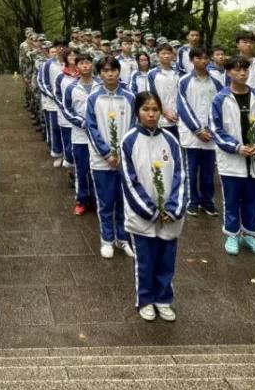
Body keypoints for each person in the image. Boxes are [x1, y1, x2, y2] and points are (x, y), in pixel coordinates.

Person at [121, 91, 186, 322]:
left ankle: (164, 298)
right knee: (146, 260)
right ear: (137, 112)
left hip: (169, 215)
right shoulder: (129, 141)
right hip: (143, 215)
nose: (151, 114)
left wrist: (172, 209)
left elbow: (180, 175)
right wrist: (150, 210)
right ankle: (146, 299)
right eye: (145, 109)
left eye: (155, 110)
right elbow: (130, 181)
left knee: (167, 258)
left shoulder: (171, 140)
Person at [210, 57, 255, 257]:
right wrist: (236, 147)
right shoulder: (220, 99)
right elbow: (216, 129)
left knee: (253, 199)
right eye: (238, 70)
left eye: (245, 70)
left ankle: (249, 233)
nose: (243, 74)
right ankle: (232, 234)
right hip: (233, 159)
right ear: (228, 73)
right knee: (231, 199)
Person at [85, 56, 136, 259]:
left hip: (124, 160)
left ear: (118, 72)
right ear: (100, 74)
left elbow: (134, 127)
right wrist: (107, 154)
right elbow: (91, 128)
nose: (110, 74)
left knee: (124, 201)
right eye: (105, 71)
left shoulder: (130, 98)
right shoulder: (94, 98)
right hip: (101, 161)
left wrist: (123, 154)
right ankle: (106, 239)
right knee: (105, 202)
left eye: (113, 70)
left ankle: (123, 239)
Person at [176, 48, 220, 217]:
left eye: (206, 57)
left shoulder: (215, 82)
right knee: (191, 171)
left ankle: (207, 201)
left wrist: (209, 127)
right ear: (192, 60)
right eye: (199, 58)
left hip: (210, 134)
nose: (203, 61)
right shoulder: (184, 81)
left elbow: (218, 106)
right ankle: (192, 201)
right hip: (191, 134)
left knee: (209, 172)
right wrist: (197, 129)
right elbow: (183, 106)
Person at [61, 52, 98, 215]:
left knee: (97, 169)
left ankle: (97, 199)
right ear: (77, 66)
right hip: (80, 136)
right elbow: (67, 110)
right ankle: (81, 200)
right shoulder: (71, 88)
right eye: (81, 63)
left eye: (87, 63)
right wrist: (83, 122)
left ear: (92, 65)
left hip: (98, 136)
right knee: (82, 169)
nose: (85, 66)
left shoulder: (101, 85)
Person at [147, 43, 180, 139]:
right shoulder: (152, 74)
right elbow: (151, 96)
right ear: (157, 56)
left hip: (179, 119)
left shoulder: (178, 73)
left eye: (169, 53)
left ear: (173, 55)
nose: (166, 56)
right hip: (161, 119)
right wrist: (165, 112)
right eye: (163, 53)